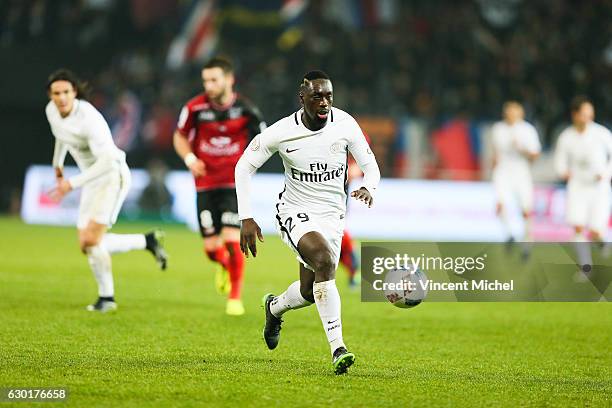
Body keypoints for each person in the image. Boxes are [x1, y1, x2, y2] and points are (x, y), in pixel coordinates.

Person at [234, 70, 380, 374]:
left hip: (332, 216)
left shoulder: (345, 124)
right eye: (317, 96)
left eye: (328, 96)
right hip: (295, 211)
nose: (324, 102)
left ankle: (274, 308)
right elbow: (244, 165)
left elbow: (371, 166)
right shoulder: (282, 131)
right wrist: (246, 216)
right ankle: (338, 348)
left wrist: (370, 186)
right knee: (325, 262)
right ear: (302, 98)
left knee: (308, 291)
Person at [46, 69, 167, 313]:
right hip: (91, 179)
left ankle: (107, 298)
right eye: (56, 93)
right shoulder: (52, 111)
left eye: (66, 92)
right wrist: (57, 165)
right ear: (50, 95)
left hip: (112, 176)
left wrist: (72, 183)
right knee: (87, 243)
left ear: (74, 92)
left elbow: (107, 161)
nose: (61, 97)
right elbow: (61, 136)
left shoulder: (90, 119)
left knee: (91, 240)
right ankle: (147, 241)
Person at [173, 56, 266, 316]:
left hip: (233, 184)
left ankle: (235, 297)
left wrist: (251, 165)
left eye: (214, 79)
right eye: (205, 80)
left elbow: (264, 140)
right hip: (204, 183)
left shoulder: (247, 109)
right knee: (212, 249)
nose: (209, 85)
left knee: (230, 239)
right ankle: (223, 265)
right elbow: (179, 136)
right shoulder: (194, 108)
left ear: (229, 79)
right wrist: (190, 158)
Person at [554, 96, 612, 274]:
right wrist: (563, 172)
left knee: (595, 231)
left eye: (590, 114)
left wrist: (606, 174)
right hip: (577, 187)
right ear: (575, 115)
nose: (588, 117)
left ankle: (602, 240)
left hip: (599, 188)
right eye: (584, 114)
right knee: (577, 226)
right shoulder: (566, 137)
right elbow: (560, 161)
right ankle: (586, 267)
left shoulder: (602, 133)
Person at [491, 101, 541, 255]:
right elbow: (495, 152)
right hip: (503, 171)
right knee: (500, 205)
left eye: (514, 112)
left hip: (521, 172)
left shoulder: (527, 130)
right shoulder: (498, 129)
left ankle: (527, 241)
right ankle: (509, 235)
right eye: (508, 112)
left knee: (525, 210)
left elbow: (535, 155)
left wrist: (522, 149)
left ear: (521, 114)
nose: (510, 115)